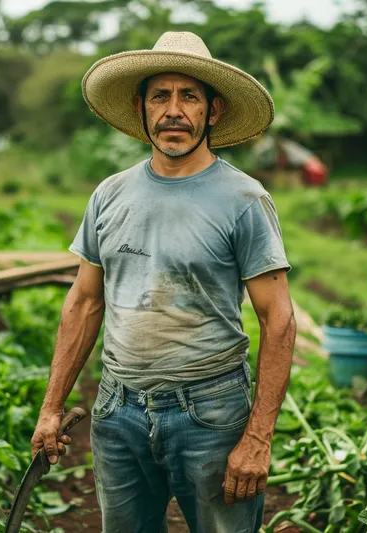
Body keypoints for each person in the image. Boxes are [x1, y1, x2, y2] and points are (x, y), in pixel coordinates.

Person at [30, 31, 296, 533]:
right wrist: (51, 408)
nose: (174, 110)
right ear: (141, 108)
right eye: (161, 96)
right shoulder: (109, 195)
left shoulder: (244, 199)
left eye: (189, 96)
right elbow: (84, 303)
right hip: (118, 411)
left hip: (212, 412)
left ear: (212, 111)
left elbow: (277, 319)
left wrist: (258, 437)